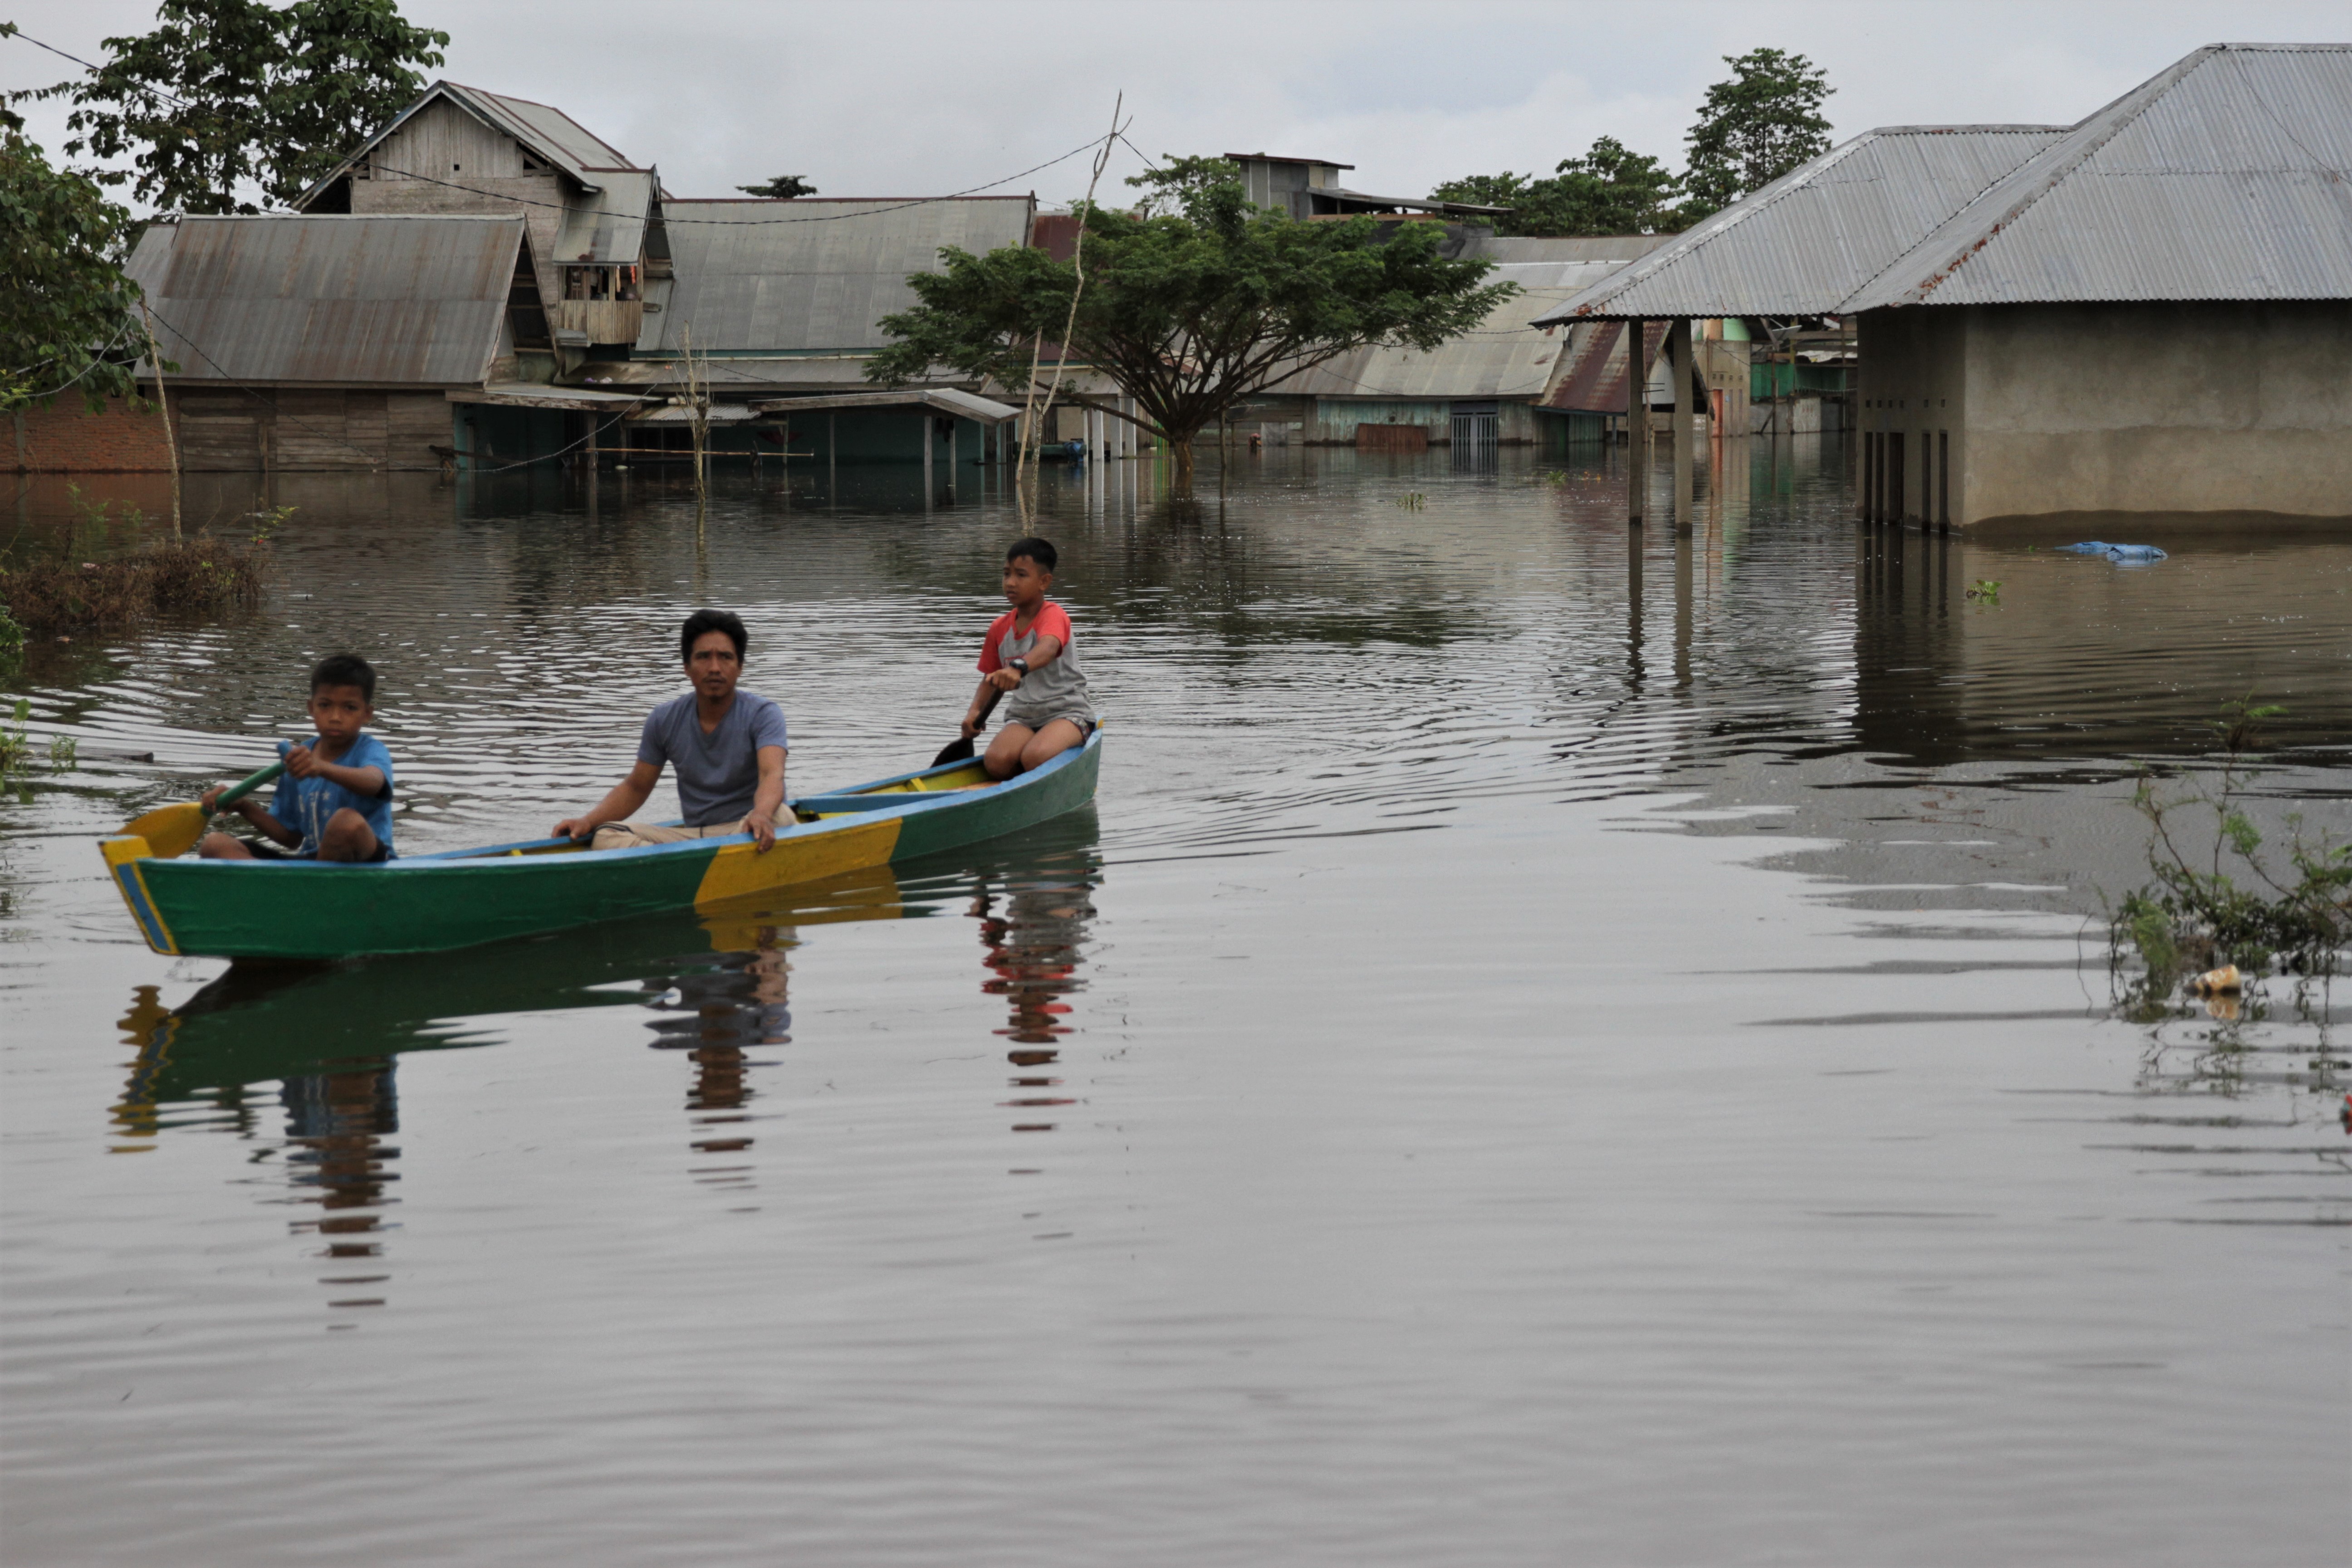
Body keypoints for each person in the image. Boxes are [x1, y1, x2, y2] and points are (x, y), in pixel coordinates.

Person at [554, 609, 788, 852]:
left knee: (779, 815)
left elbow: (772, 774)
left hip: (749, 828)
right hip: (697, 836)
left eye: (726, 657)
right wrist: (588, 822)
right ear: (687, 667)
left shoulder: (763, 714)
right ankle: (679, 867)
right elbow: (637, 787)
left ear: (739, 667)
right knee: (605, 835)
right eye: (704, 657)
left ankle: (673, 865)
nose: (715, 668)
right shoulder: (664, 719)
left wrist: (761, 814)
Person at [199, 653, 395, 862]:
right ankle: (284, 889)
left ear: (367, 714)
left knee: (345, 823)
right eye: (325, 705)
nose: (336, 717)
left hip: (368, 861)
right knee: (214, 844)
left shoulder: (371, 749)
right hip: (314, 862)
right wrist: (243, 806)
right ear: (311, 708)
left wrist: (321, 767)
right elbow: (291, 838)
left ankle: (297, 890)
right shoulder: (301, 758)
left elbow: (375, 782)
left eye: (350, 708)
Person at [964, 537, 1095, 780]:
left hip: (1067, 712)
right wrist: (973, 713)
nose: (1010, 583)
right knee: (996, 762)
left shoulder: (1054, 615)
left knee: (1035, 757)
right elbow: (989, 678)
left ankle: (1043, 766)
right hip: (1024, 716)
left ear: (1044, 582)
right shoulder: (999, 628)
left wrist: (1018, 668)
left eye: (1021, 576)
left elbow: (1047, 648)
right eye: (1006, 574)